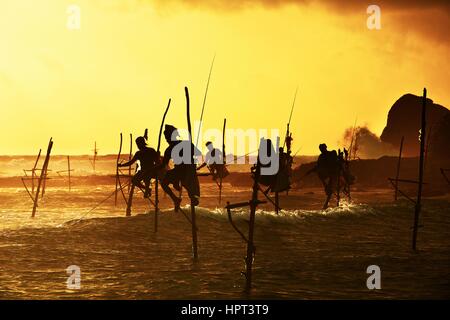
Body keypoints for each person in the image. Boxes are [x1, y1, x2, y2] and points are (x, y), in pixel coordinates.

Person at [158, 124, 202, 211]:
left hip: (188, 171)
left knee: (192, 192)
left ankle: (182, 192)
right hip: (179, 171)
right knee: (164, 183)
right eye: (166, 138)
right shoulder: (169, 149)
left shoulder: (185, 144)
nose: (167, 140)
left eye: (168, 137)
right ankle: (176, 198)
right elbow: (164, 165)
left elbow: (197, 153)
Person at [306, 143, 339, 209]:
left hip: (333, 174)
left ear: (325, 148)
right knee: (328, 188)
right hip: (328, 175)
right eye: (321, 149)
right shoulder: (322, 156)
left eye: (322, 148)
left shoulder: (331, 154)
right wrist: (311, 171)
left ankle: (326, 204)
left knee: (329, 190)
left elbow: (335, 163)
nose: (321, 150)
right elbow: (318, 166)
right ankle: (326, 202)